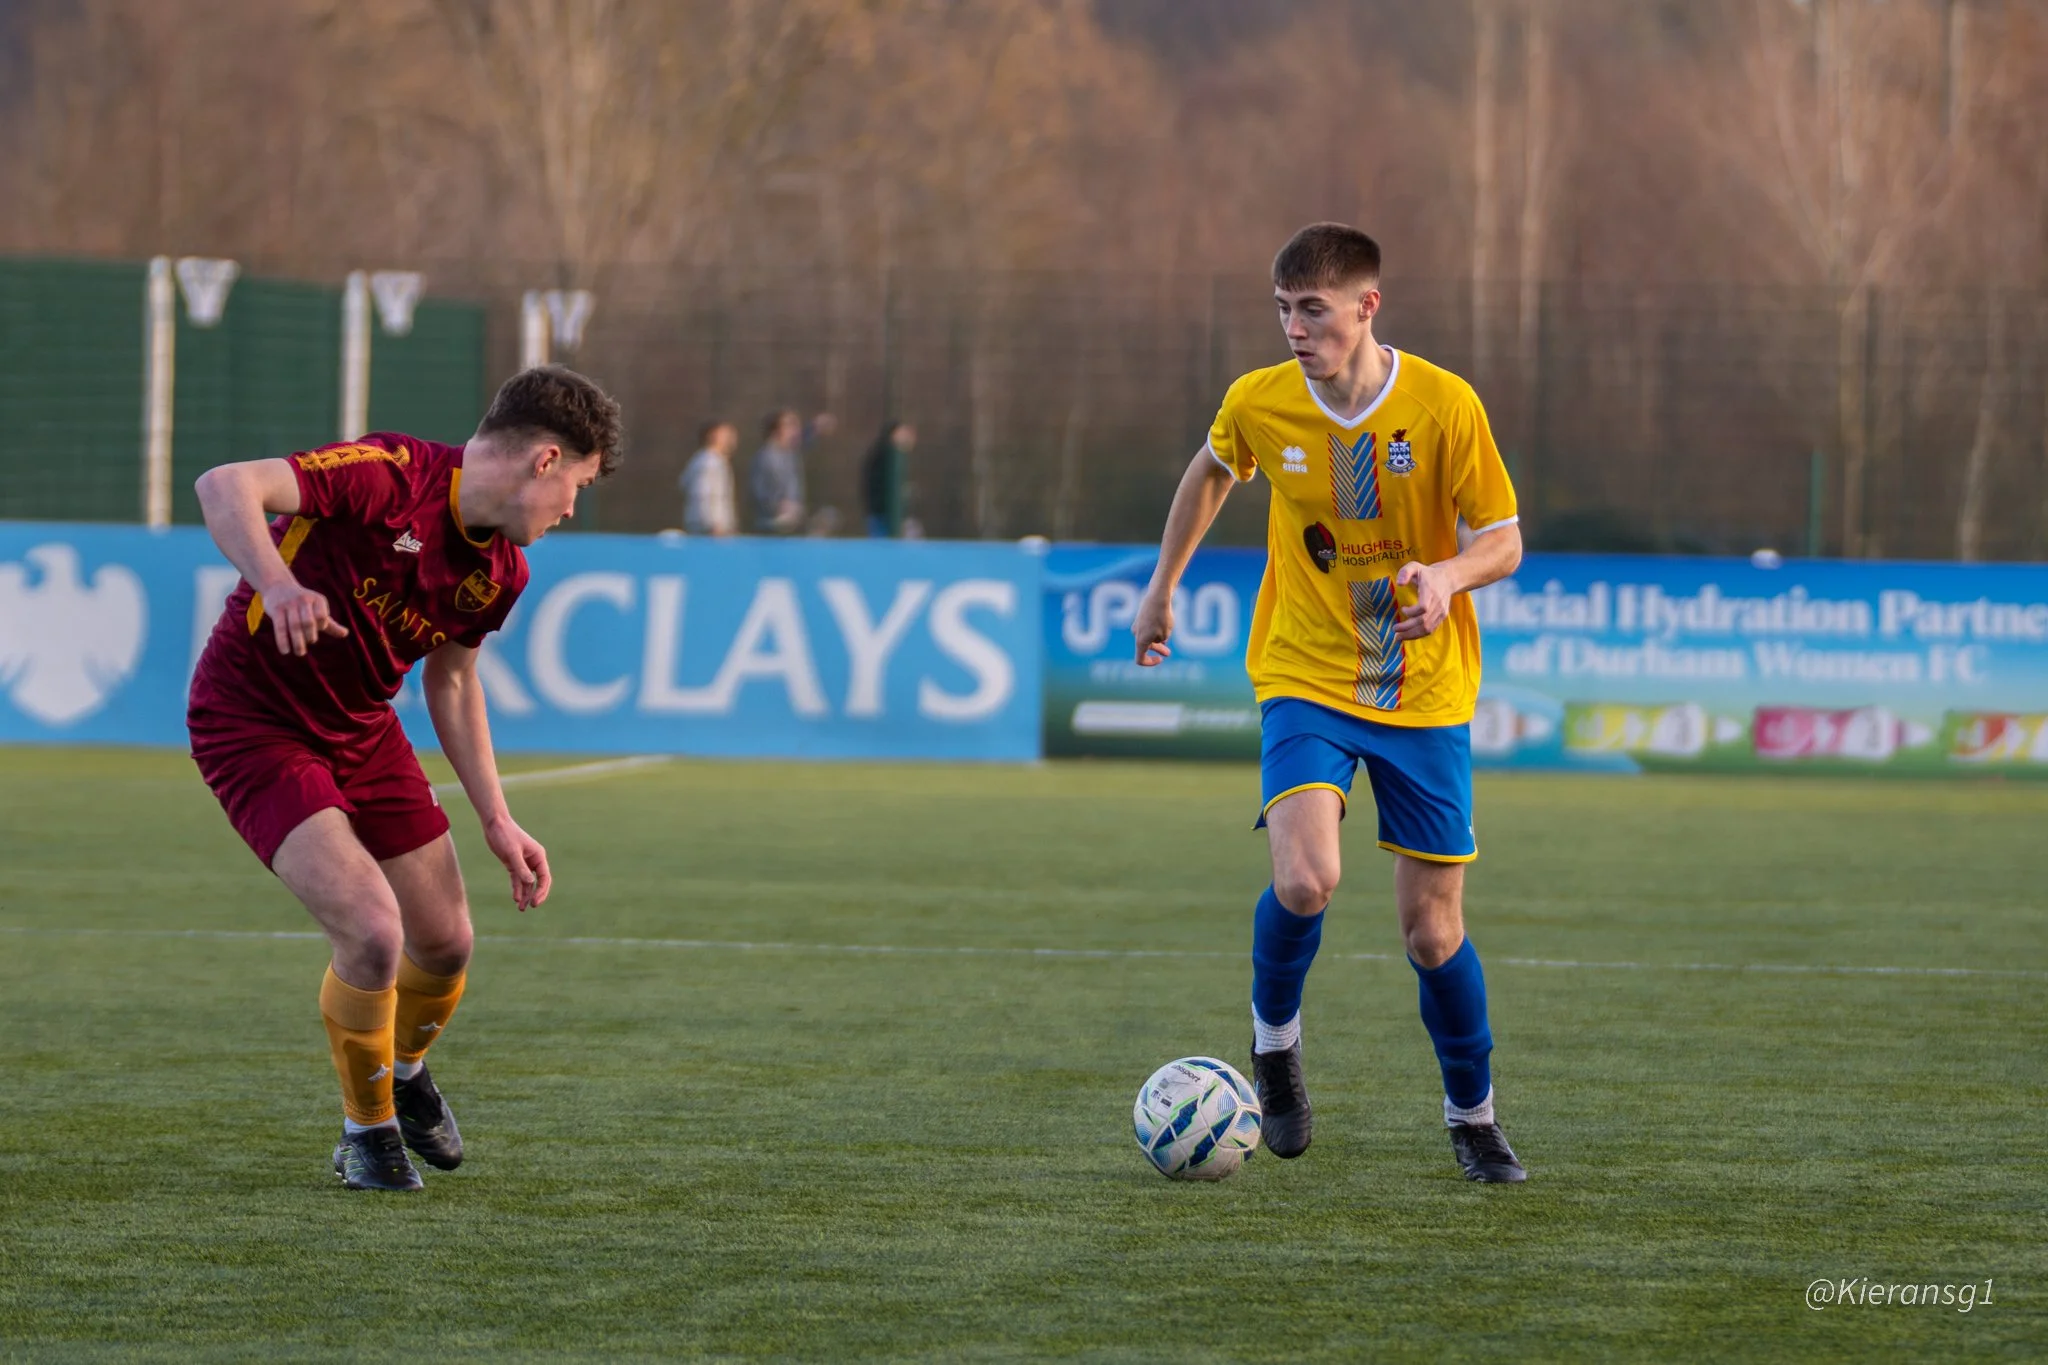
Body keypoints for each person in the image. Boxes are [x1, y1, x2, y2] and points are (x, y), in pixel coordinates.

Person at [1131, 224, 1528, 1183]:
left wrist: (1448, 575)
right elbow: (1213, 470)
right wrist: (1161, 584)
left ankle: (1472, 1118)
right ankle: (1274, 1048)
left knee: (1433, 932)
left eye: (1312, 309)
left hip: (1424, 688)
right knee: (1308, 879)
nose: (1295, 328)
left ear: (1366, 307)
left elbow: (1506, 539)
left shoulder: (1442, 405)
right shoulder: (1260, 401)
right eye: (1283, 309)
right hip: (1304, 670)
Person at [186, 365, 624, 1192]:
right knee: (373, 931)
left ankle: (407, 1066)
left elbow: (452, 680)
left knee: (448, 939)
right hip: (255, 723)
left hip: (362, 728)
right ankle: (368, 1133)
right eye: (578, 484)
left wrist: (498, 818)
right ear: (544, 459)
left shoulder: (501, 574)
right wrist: (278, 585)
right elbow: (224, 486)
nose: (573, 507)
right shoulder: (389, 475)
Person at [750, 408, 835, 534]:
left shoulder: (791, 453)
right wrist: (777, 505)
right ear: (775, 430)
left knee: (830, 516)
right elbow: (757, 490)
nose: (796, 430)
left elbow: (804, 438)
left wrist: (815, 426)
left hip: (794, 519)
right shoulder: (765, 457)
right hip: (772, 524)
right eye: (790, 426)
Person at [680, 420, 738, 536]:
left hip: (712, 526)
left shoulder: (715, 461)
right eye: (726, 435)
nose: (731, 439)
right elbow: (703, 495)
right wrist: (715, 524)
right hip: (710, 528)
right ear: (712, 436)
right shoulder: (708, 462)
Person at [861, 421, 916, 538]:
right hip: (882, 513)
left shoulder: (892, 455)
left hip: (883, 512)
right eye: (902, 433)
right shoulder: (884, 454)